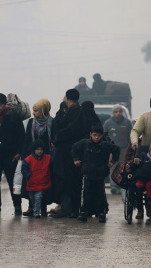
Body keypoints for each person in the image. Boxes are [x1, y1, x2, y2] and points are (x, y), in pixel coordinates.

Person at [0, 93, 25, 217]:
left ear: (4, 104)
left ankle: (17, 206)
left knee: (13, 181)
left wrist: (19, 152)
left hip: (11, 153)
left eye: (0, 105)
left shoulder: (12, 115)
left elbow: (21, 135)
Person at [72, 124, 120, 223]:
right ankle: (84, 212)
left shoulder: (105, 145)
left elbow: (116, 150)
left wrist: (112, 162)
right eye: (94, 135)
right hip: (87, 174)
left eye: (98, 135)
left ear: (102, 135)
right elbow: (74, 148)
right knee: (86, 194)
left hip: (100, 175)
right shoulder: (84, 143)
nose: (96, 137)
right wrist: (75, 160)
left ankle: (101, 212)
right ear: (90, 134)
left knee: (100, 194)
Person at [51, 88, 85, 218]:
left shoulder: (75, 111)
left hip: (69, 152)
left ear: (66, 99)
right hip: (69, 151)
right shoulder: (75, 110)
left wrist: (57, 138)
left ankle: (68, 210)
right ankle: (71, 209)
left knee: (67, 180)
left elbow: (70, 130)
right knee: (71, 181)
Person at [21, 98, 53, 217]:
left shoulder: (51, 123)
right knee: (31, 182)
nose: (33, 113)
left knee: (44, 182)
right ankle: (31, 207)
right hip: (32, 157)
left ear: (43, 111)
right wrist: (24, 156)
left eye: (36, 110)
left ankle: (43, 207)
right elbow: (27, 139)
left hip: (45, 158)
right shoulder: (31, 122)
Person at [104, 104, 132, 194]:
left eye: (120, 111)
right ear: (113, 113)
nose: (118, 113)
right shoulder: (108, 123)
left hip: (124, 148)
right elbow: (104, 136)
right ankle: (113, 185)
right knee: (112, 167)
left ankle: (122, 185)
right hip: (112, 149)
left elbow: (131, 135)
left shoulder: (127, 122)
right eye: (116, 112)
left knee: (123, 167)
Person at [21, 140, 52, 218]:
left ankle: (37, 212)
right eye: (38, 149)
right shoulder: (28, 159)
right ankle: (36, 210)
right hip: (32, 183)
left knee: (38, 197)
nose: (40, 151)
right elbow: (24, 169)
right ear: (34, 150)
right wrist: (29, 176)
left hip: (42, 183)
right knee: (32, 198)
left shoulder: (47, 158)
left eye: (41, 149)